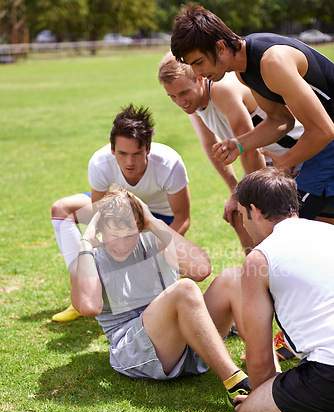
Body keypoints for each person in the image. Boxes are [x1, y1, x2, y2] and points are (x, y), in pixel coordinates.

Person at [69, 186, 251, 405]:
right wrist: (85, 244)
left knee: (232, 278)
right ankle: (236, 382)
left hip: (188, 341)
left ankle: (267, 371)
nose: (121, 245)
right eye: (113, 236)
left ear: (139, 227)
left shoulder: (153, 239)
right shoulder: (89, 258)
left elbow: (201, 270)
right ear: (100, 229)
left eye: (129, 235)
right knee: (185, 289)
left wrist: (154, 222)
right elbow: (88, 306)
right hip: (137, 351)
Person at [206, 168, 334, 412]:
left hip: (328, 373)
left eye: (241, 215)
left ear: (254, 211)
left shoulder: (260, 259)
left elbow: (261, 360)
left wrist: (261, 401)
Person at [170, 4, 334, 221]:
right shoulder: (244, 70)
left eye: (199, 62)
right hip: (325, 142)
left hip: (327, 140)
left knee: (284, 223)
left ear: (220, 47)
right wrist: (239, 144)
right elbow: (280, 120)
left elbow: (323, 130)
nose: (198, 73)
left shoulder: (271, 62)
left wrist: (284, 162)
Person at [51, 104, 191, 322]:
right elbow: (101, 215)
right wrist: (98, 248)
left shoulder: (169, 163)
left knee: (169, 264)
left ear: (148, 148)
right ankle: (83, 286)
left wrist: (159, 249)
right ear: (112, 149)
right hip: (118, 211)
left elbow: (183, 218)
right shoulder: (100, 161)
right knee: (61, 209)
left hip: (157, 218)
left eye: (137, 153)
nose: (129, 162)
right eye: (123, 153)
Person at [158, 51, 304, 252]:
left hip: (296, 150)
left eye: (183, 93)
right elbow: (211, 146)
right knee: (237, 212)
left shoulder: (222, 91)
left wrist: (246, 198)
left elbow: (250, 151)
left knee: (257, 213)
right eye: (172, 96)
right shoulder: (193, 104)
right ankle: (257, 273)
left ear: (199, 79)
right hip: (268, 158)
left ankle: (272, 266)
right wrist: (234, 190)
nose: (180, 102)